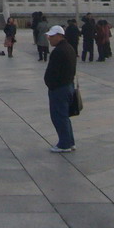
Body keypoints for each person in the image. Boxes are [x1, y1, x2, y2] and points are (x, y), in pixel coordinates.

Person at [44, 25, 77, 153]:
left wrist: (50, 84)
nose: (49, 39)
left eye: (51, 37)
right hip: (68, 85)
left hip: (59, 88)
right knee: (64, 117)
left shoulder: (59, 51)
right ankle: (70, 141)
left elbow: (54, 72)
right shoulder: (69, 48)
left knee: (59, 116)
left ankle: (64, 144)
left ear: (59, 36)